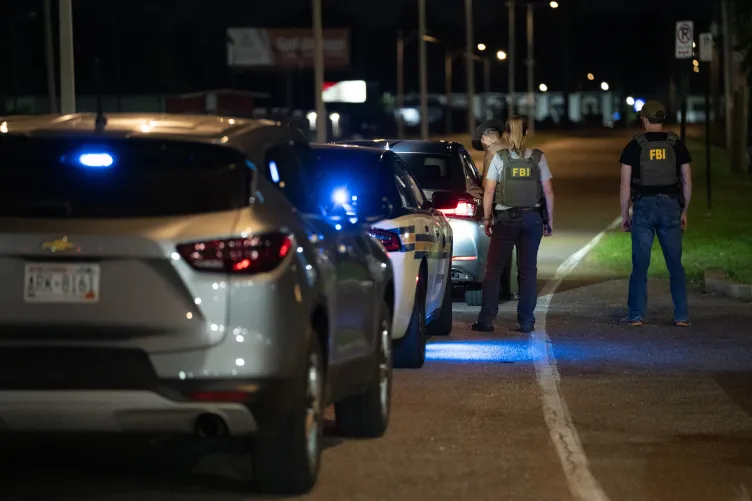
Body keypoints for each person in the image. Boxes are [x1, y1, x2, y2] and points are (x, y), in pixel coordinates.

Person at [471, 115, 554, 333]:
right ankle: (526, 321)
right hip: (532, 219)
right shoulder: (538, 157)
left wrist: (487, 218)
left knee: (494, 270)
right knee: (527, 271)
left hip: (505, 220)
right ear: (526, 132)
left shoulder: (499, 158)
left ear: (506, 133)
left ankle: (486, 320)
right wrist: (549, 220)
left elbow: (489, 191)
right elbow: (547, 191)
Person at [618, 100, 692, 327]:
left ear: (644, 119)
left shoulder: (634, 146)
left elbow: (625, 185)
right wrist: (684, 210)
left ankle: (636, 315)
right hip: (671, 206)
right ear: (662, 119)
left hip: (644, 207)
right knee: (675, 264)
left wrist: (625, 214)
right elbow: (687, 181)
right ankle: (681, 315)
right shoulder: (676, 145)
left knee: (640, 264)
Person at [472, 119, 518, 301]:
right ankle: (512, 288)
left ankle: (495, 296)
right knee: (515, 253)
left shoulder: (492, 151)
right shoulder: (513, 147)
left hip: (501, 207)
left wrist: (487, 215)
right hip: (521, 206)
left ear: (485, 138)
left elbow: (487, 185)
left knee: (497, 254)